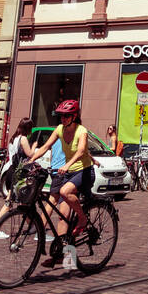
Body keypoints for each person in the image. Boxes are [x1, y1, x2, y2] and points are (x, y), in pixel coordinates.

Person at [28, 100, 96, 265]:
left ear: (74, 116)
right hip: (68, 173)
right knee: (63, 217)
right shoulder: (59, 129)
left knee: (65, 192)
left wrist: (67, 165)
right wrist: (31, 159)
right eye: (61, 116)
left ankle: (82, 219)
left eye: (66, 116)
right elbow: (45, 146)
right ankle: (63, 255)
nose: (63, 119)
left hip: (84, 171)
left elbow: (81, 151)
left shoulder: (82, 131)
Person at [0, 118, 36, 236]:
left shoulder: (13, 138)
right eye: (31, 128)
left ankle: (32, 226)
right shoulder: (23, 139)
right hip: (19, 173)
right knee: (10, 201)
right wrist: (34, 146)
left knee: (23, 201)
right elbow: (31, 154)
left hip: (11, 171)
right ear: (27, 128)